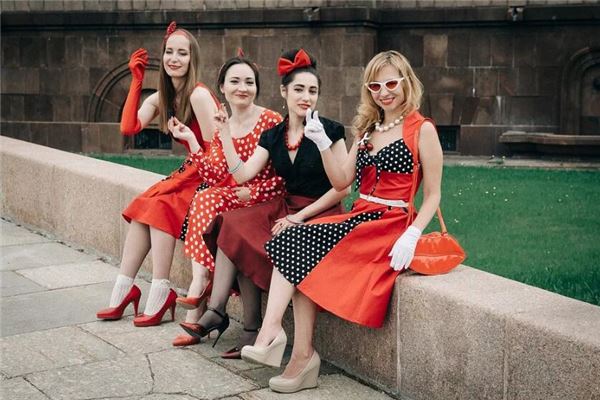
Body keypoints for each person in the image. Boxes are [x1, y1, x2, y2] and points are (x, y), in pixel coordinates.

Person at [240, 50, 444, 393]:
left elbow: (434, 195)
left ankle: (294, 353)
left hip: (391, 224)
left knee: (298, 249)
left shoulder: (422, 129)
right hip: (361, 216)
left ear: (407, 82)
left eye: (391, 83)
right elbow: (341, 181)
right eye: (375, 86)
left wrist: (413, 233)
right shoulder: (367, 129)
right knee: (291, 241)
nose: (384, 92)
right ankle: (279, 339)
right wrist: (322, 143)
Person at [177, 49, 349, 358]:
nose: (306, 97)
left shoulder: (331, 130)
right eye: (299, 89)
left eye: (312, 91)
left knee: (254, 233)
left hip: (320, 210)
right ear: (284, 91)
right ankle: (219, 311)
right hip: (285, 207)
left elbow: (342, 189)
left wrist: (301, 217)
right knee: (231, 223)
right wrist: (224, 133)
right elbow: (242, 174)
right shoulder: (273, 135)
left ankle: (247, 327)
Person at [96, 22, 220, 327]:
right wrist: (137, 81)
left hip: (211, 175)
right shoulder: (162, 98)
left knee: (161, 204)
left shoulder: (198, 95)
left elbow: (217, 154)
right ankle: (124, 289)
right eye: (169, 52)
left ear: (192, 59)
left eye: (182, 53)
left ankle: (161, 291)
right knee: (145, 206)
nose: (174, 59)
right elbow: (128, 128)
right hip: (191, 171)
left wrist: (187, 171)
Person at [167, 53, 285, 347]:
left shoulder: (271, 120)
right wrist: (192, 141)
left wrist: (255, 193)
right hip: (240, 201)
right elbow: (215, 174)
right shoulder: (224, 123)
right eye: (235, 81)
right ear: (222, 87)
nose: (242, 88)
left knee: (231, 225)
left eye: (249, 82)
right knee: (205, 197)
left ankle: (208, 302)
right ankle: (200, 283)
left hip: (269, 200)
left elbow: (288, 176)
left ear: (257, 87)